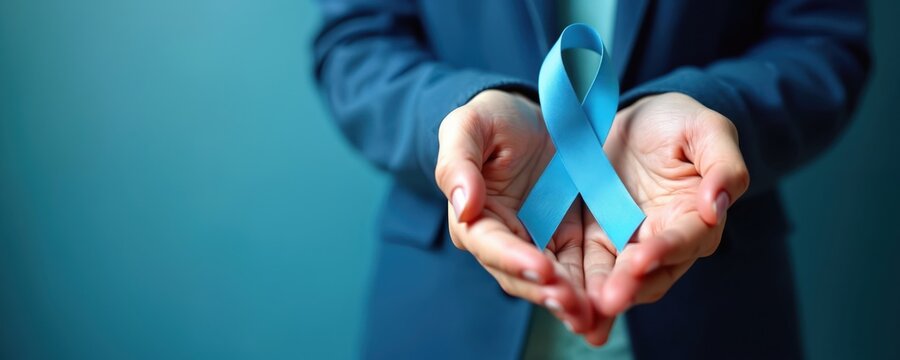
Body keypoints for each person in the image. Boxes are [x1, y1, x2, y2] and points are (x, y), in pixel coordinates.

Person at [313, 0, 870, 358]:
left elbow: (822, 38)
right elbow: (355, 42)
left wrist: (714, 109)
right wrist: (455, 115)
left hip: (713, 308)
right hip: (445, 313)